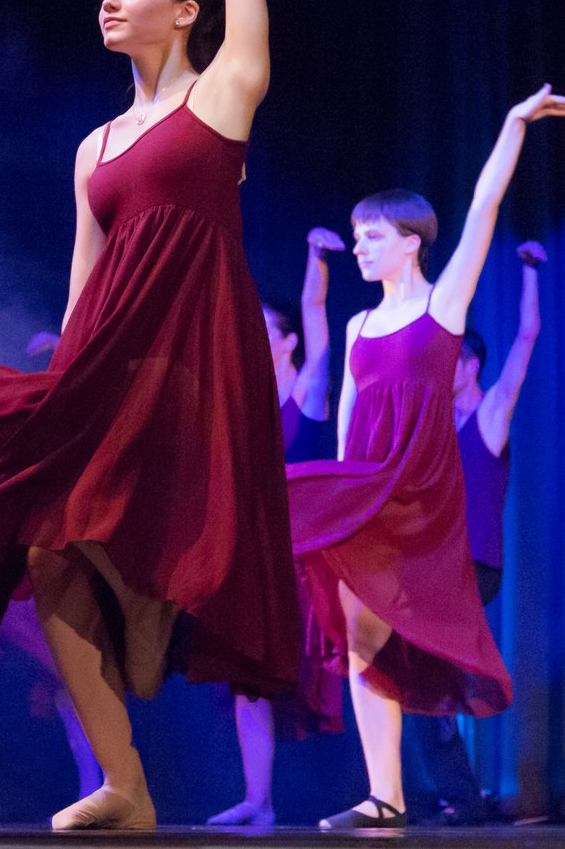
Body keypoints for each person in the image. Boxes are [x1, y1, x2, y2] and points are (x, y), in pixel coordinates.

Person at [0, 0, 349, 831]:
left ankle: (153, 617)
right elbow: (83, 281)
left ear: (186, 10)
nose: (109, 0)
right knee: (43, 543)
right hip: (109, 363)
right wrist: (57, 392)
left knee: (158, 553)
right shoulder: (94, 146)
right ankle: (126, 783)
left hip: (194, 359)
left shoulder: (226, 91)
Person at [287, 84, 565, 829]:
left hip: (419, 492)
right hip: (367, 490)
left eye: (371, 236)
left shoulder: (441, 307)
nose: (359, 247)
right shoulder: (357, 326)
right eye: (356, 237)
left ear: (411, 241)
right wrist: (343, 499)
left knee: (383, 631)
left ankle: (418, 789)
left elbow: (484, 205)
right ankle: (384, 793)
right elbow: (348, 419)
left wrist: (513, 122)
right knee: (360, 633)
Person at [210, 226, 343, 826]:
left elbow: (315, 312)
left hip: (305, 557)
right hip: (254, 553)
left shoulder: (308, 390)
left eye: (262, 329)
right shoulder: (243, 399)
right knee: (248, 677)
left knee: (315, 677)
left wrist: (315, 257)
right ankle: (257, 801)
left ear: (287, 342)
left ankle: (371, 794)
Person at [409, 239, 546, 823]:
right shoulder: (433, 421)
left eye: (451, 361)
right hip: (434, 567)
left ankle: (456, 695)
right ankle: (463, 797)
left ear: (470, 366)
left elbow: (527, 339)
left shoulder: (490, 416)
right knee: (414, 678)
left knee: (429, 673)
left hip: (474, 565)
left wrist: (529, 273)